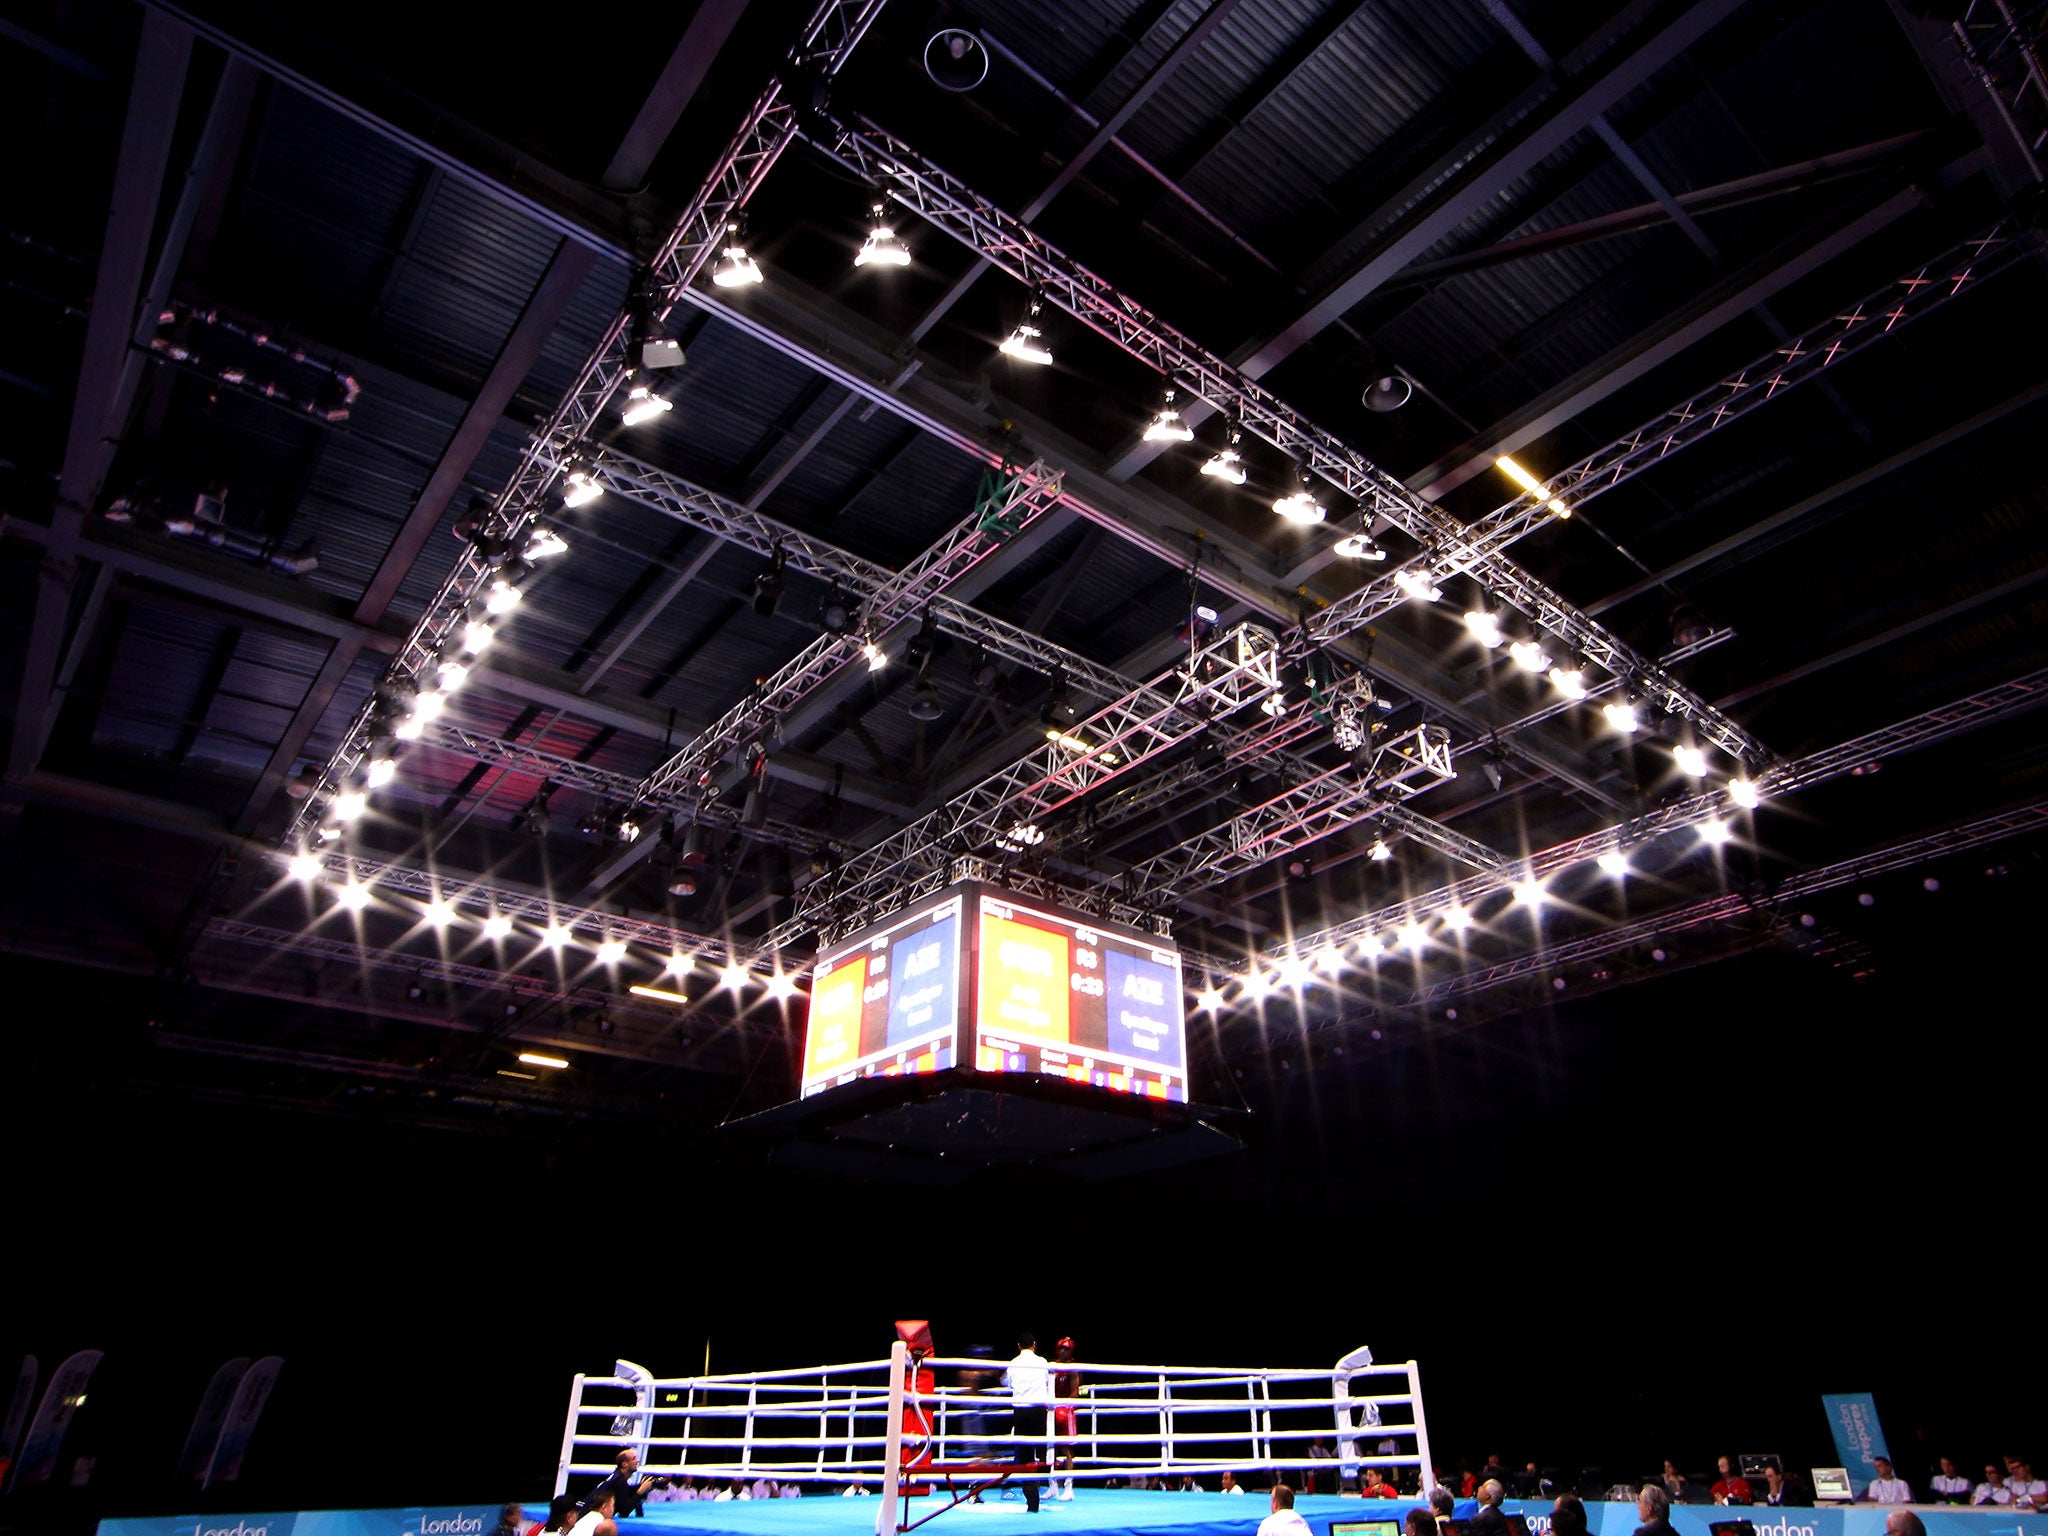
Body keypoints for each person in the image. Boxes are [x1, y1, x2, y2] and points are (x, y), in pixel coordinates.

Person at [1005, 1330, 1051, 1513]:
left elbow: (1008, 1384)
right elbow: (1047, 1380)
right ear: (1034, 1345)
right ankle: (1044, 1480)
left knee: (1024, 1458)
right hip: (1039, 1411)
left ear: (1018, 1346)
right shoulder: (1042, 1362)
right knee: (1041, 1452)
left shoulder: (1013, 1364)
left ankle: (1032, 1500)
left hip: (1021, 1411)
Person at [1052, 1338, 1081, 1501]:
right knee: (1050, 1449)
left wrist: (1064, 1406)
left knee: (1067, 1449)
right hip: (1052, 1410)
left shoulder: (1073, 1368)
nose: (1064, 1351)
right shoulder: (1052, 1366)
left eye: (1067, 1349)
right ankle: (1053, 1486)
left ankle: (1069, 1487)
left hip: (1066, 1411)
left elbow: (1075, 1392)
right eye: (1061, 1348)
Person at [586, 1449, 651, 1519]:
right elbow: (624, 1512)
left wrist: (641, 1486)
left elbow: (624, 1493)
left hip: (589, 1514)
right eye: (634, 1458)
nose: (638, 1461)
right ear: (625, 1464)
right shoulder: (619, 1481)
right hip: (591, 1518)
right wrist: (640, 1492)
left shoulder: (617, 1477)